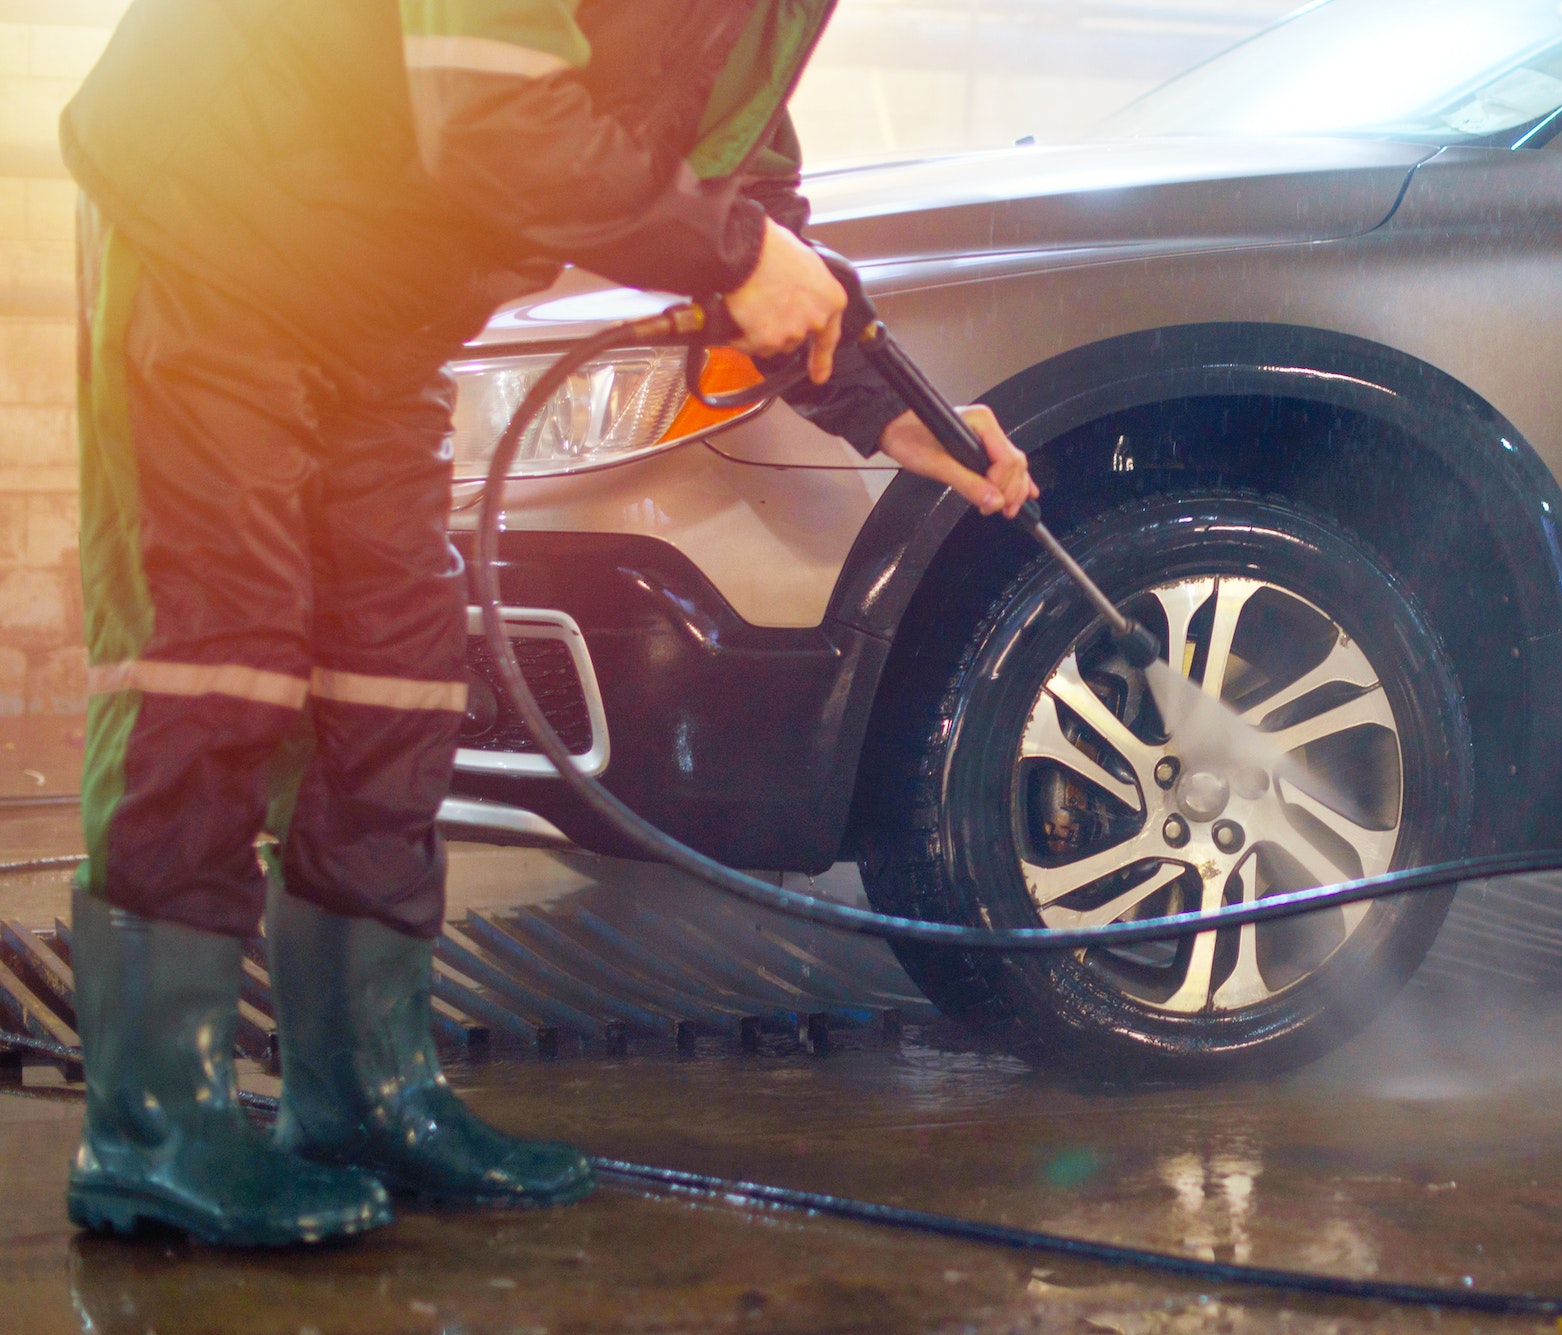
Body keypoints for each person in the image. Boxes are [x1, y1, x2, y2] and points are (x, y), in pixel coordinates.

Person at [58, 0, 1039, 1247]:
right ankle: (156, 1129)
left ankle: (365, 1095)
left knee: (396, 675)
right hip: (217, 214)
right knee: (219, 657)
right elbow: (495, 118)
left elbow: (743, 209)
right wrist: (733, 251)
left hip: (380, 304)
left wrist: (908, 419)